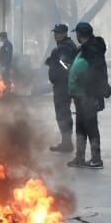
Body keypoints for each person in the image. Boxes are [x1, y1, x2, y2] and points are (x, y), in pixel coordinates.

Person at [67, 22, 108, 169]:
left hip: (88, 95)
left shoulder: (93, 48)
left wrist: (82, 79)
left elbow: (97, 72)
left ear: (79, 34)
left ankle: (96, 159)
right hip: (80, 95)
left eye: (76, 34)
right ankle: (80, 157)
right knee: (81, 126)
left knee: (90, 126)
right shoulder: (86, 48)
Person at [45, 24, 77, 152]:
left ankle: (67, 144)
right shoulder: (64, 46)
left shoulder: (66, 47)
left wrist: (54, 62)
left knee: (63, 113)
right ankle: (66, 142)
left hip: (63, 86)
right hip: (61, 85)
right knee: (62, 113)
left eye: (58, 33)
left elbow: (65, 64)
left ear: (64, 33)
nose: (55, 35)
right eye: (55, 33)